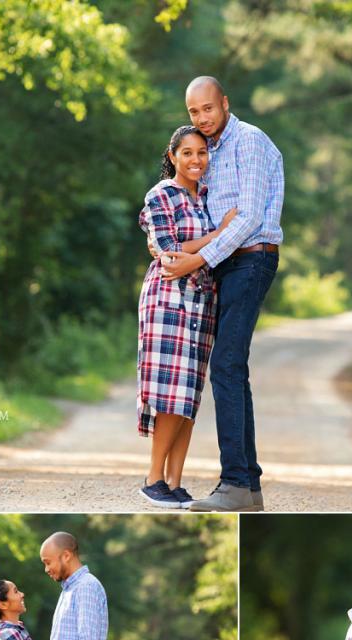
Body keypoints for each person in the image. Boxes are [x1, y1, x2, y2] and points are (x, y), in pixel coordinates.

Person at [161, 75, 284, 512]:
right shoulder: (204, 150)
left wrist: (199, 259)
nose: (202, 118)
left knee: (227, 365)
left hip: (251, 259)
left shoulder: (248, 141)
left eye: (208, 109)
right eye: (194, 112)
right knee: (231, 367)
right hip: (226, 263)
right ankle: (247, 487)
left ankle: (235, 483)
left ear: (225, 103)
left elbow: (249, 217)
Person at [137, 124, 237, 508]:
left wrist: (217, 237)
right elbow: (168, 252)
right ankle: (153, 478)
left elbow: (196, 251)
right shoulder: (162, 194)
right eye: (188, 153)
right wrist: (219, 235)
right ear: (173, 156)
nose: (196, 160)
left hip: (203, 301)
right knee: (171, 392)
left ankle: (175, 483)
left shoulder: (208, 197)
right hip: (168, 299)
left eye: (202, 153)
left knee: (189, 396)